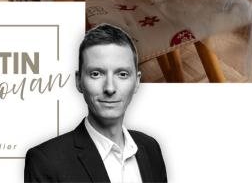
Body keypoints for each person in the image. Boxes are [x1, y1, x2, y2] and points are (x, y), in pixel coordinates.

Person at [24, 24, 167, 182]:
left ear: (137, 82)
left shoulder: (151, 147)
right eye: (96, 74)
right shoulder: (45, 161)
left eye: (122, 74)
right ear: (79, 81)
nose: (110, 88)